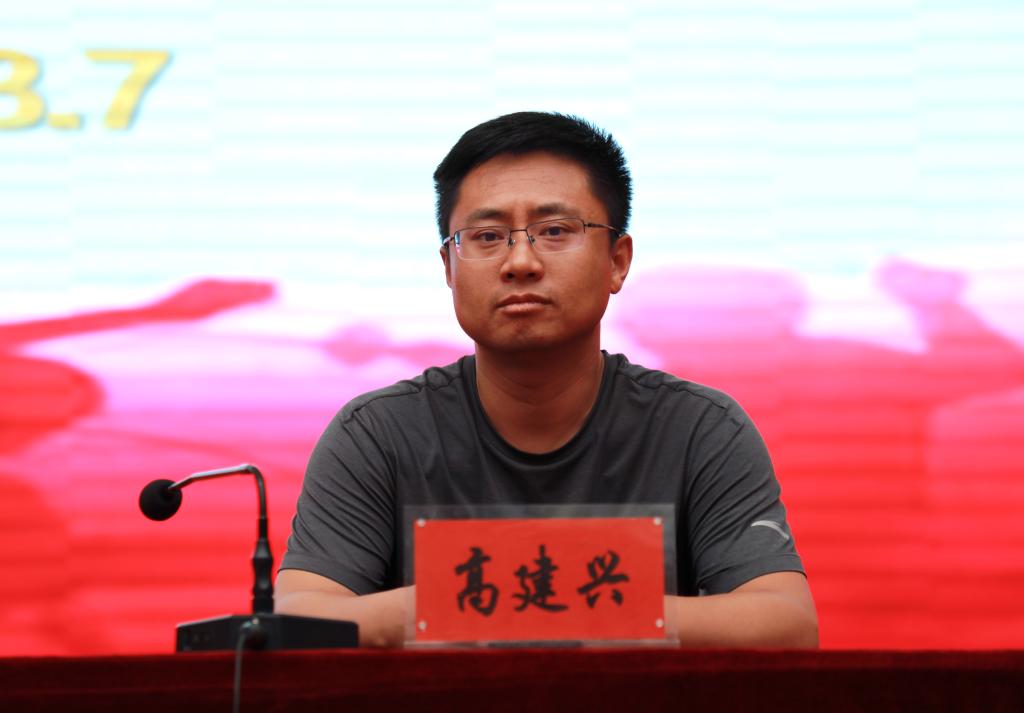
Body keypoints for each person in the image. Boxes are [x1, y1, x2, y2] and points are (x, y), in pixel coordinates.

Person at [275, 112, 818, 648]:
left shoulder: (698, 429)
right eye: (487, 236)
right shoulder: (378, 434)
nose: (520, 261)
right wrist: (479, 606)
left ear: (617, 261)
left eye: (554, 231)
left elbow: (786, 625)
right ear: (448, 268)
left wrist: (511, 605)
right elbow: (298, 619)